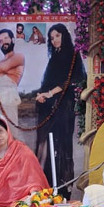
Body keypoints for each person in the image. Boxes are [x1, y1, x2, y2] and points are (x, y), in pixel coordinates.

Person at [34, 23, 86, 198]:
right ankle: (47, 185)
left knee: (62, 145)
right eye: (51, 38)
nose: (54, 40)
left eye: (57, 36)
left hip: (64, 106)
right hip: (49, 105)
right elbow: (47, 82)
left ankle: (63, 189)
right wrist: (41, 95)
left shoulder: (73, 55)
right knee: (47, 145)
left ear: (64, 35)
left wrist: (50, 93)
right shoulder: (54, 57)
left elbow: (77, 79)